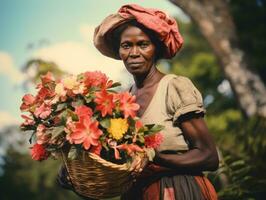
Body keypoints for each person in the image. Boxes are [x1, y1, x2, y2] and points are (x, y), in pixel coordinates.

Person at [58, 4, 219, 200]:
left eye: (143, 44)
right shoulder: (119, 103)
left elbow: (209, 157)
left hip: (177, 190)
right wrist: (75, 168)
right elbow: (116, 163)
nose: (134, 53)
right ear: (119, 52)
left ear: (156, 49)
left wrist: (154, 159)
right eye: (126, 46)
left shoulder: (174, 87)